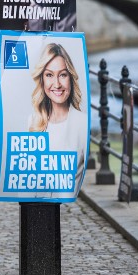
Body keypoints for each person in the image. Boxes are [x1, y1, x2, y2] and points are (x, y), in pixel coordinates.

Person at [28, 42, 87, 187]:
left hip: (68, 208)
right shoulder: (33, 121)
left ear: (71, 78)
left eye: (62, 75)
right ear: (41, 79)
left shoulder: (83, 123)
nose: (57, 84)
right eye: (49, 75)